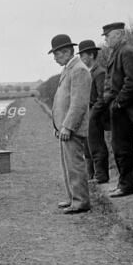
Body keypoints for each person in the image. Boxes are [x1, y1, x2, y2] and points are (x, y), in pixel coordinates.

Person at [99, 22, 133, 198]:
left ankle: (127, 185)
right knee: (119, 146)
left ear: (119, 34)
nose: (106, 39)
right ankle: (124, 183)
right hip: (119, 108)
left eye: (108, 36)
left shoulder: (126, 51)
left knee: (123, 147)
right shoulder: (118, 51)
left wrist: (119, 102)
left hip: (124, 108)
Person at [49, 34, 92, 214]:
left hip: (72, 128)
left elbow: (78, 103)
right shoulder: (69, 68)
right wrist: (58, 126)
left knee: (75, 165)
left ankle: (80, 201)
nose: (55, 58)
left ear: (67, 52)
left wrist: (67, 126)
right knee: (68, 165)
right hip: (65, 127)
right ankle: (72, 197)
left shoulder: (78, 70)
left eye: (57, 54)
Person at [77, 40, 110, 184]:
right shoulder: (88, 72)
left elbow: (102, 97)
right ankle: (91, 175)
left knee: (96, 145)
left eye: (83, 55)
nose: (82, 59)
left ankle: (101, 176)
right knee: (87, 146)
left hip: (96, 114)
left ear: (91, 55)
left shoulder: (99, 72)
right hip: (88, 113)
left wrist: (93, 114)